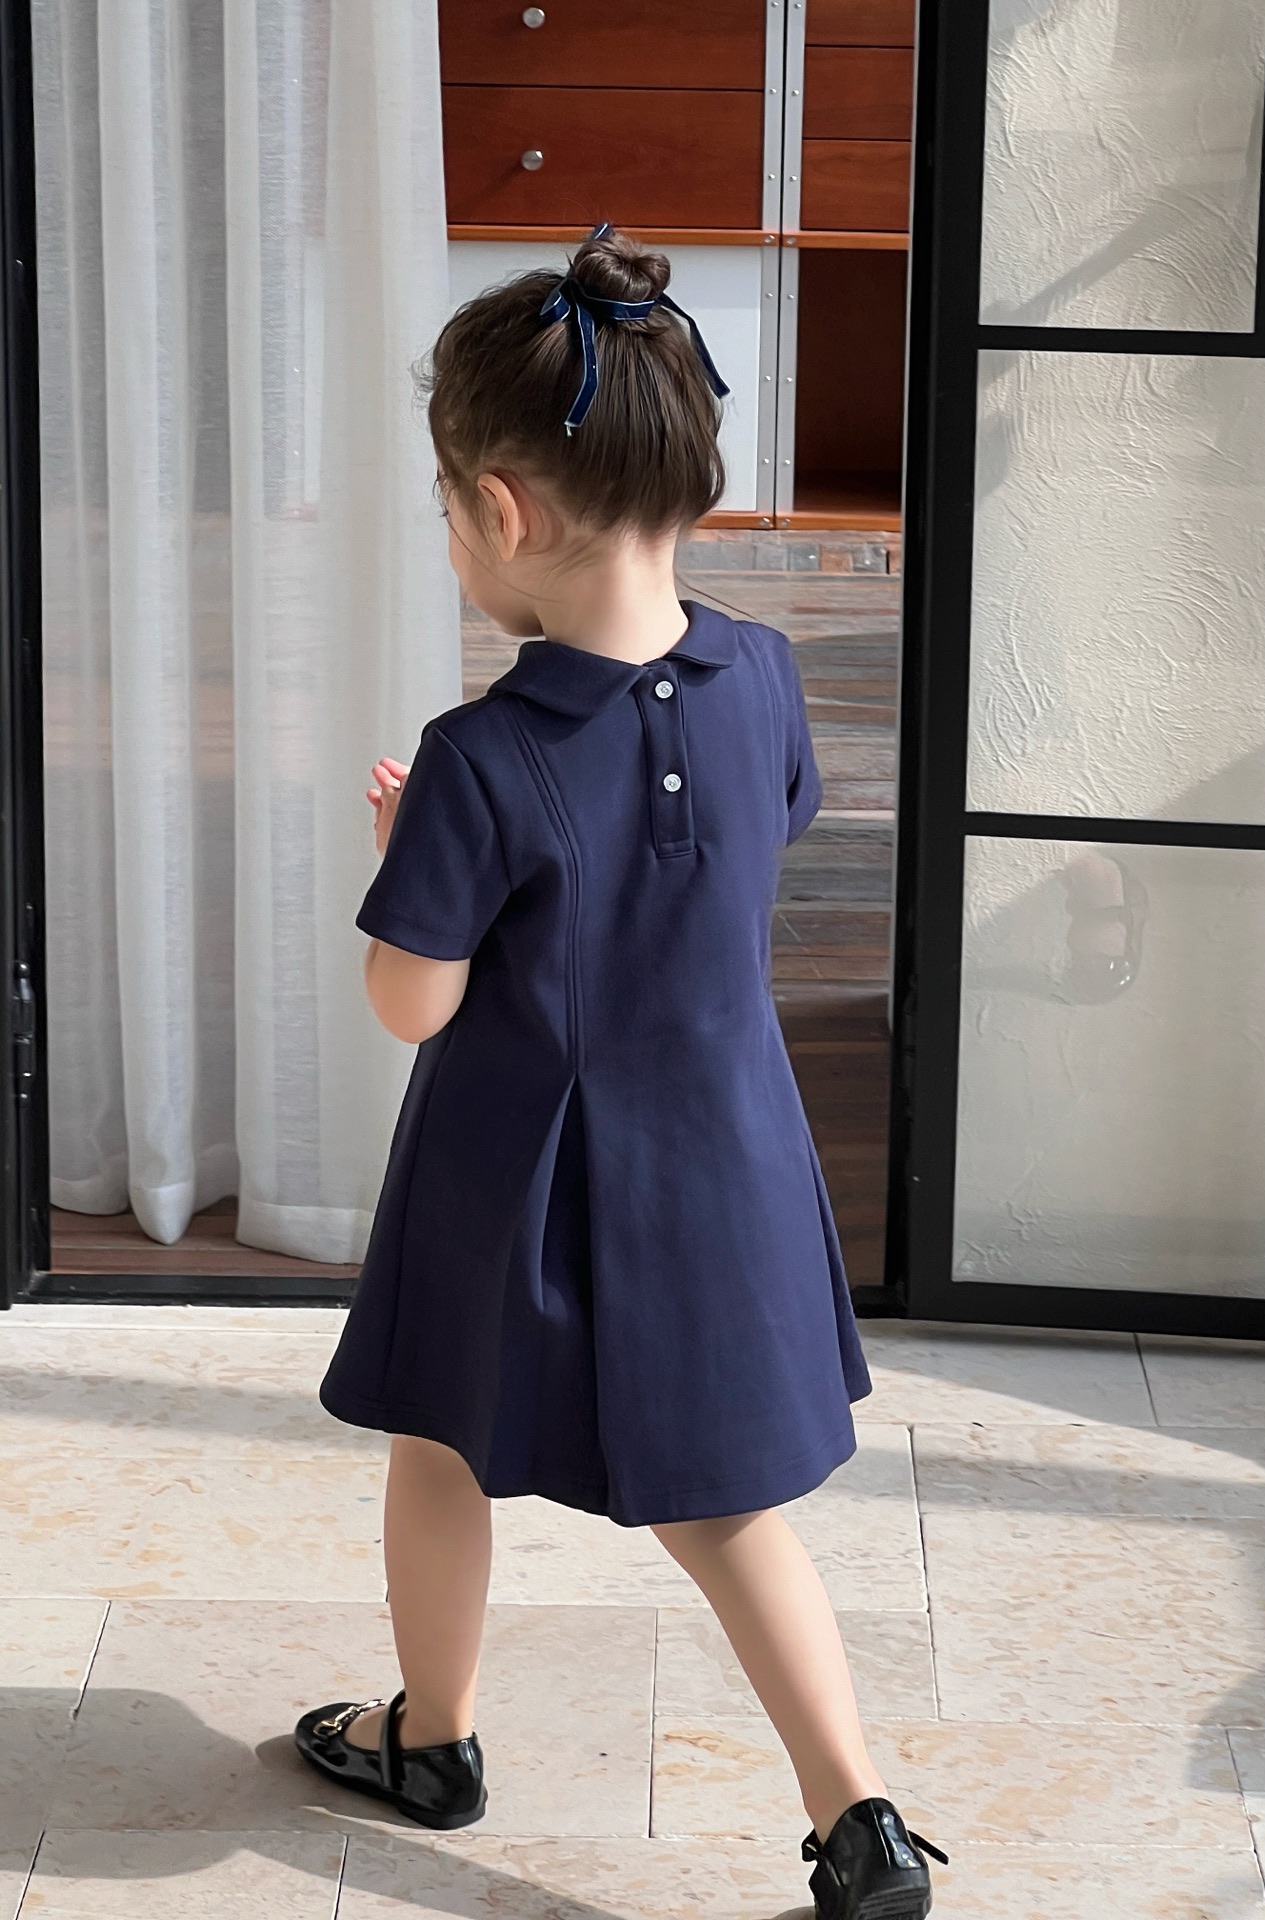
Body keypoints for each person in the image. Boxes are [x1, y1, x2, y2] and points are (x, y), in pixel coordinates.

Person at [293, 223, 946, 1920]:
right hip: (723, 1153)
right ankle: (858, 1813)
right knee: (723, 1504)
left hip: (510, 1185)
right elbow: (757, 834)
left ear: (503, 513)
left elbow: (412, 1007)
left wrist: (410, 859)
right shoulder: (765, 674)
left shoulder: (476, 756)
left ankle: (431, 1736)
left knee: (442, 1445)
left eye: (449, 511)